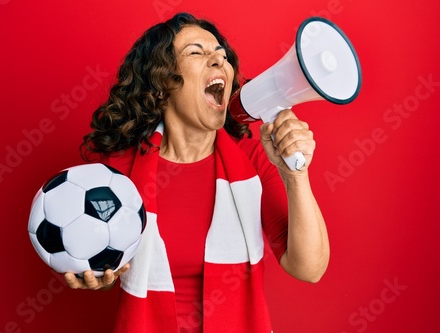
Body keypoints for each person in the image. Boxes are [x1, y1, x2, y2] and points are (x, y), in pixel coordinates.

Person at [64, 12, 329, 333]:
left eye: (222, 54)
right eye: (196, 52)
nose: (219, 60)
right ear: (162, 81)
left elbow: (309, 268)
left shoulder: (253, 156)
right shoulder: (118, 171)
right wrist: (96, 274)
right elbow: (105, 259)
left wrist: (295, 176)